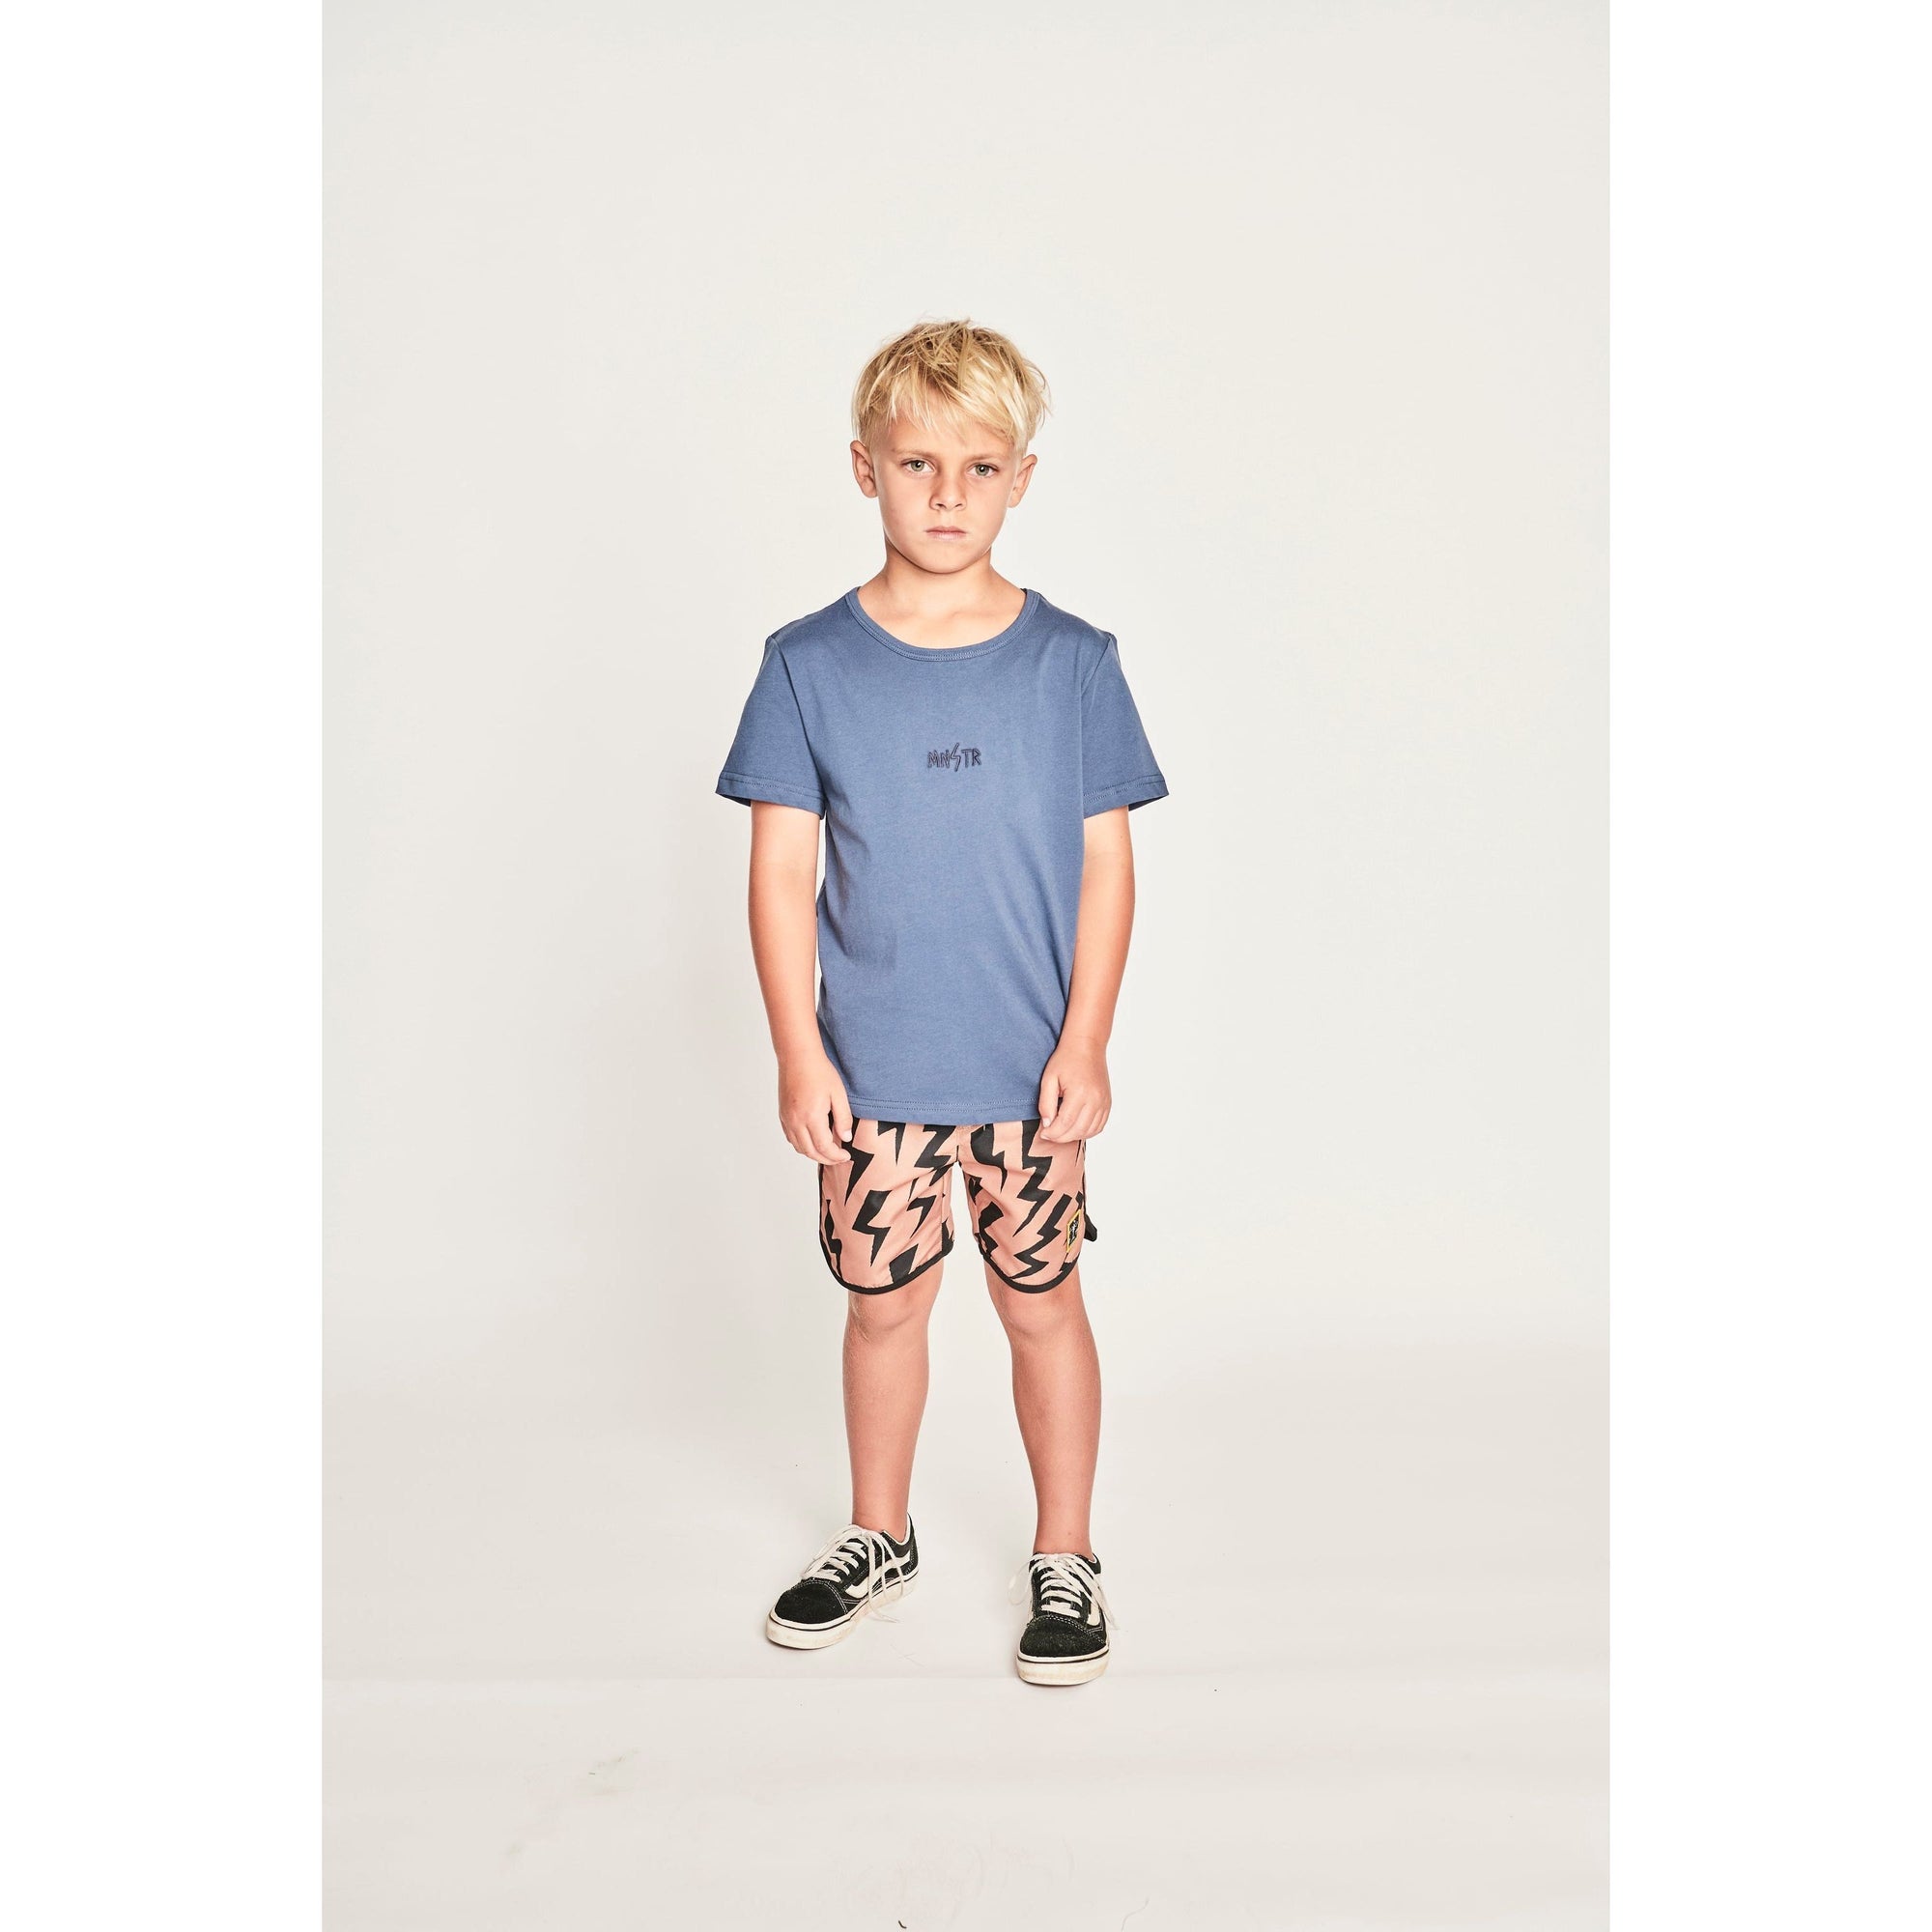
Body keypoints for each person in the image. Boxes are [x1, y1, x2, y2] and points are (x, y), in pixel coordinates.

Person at [715, 319, 1168, 1686]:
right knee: (883, 1311)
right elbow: (780, 873)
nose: (949, 494)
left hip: (1031, 1079)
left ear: (1021, 477)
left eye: (980, 467)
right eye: (919, 463)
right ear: (867, 469)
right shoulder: (806, 664)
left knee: (1043, 1305)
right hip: (873, 1079)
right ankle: (880, 1532)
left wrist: (1088, 1039)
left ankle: (1067, 1552)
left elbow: (1107, 864)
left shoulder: (1073, 662)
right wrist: (800, 1053)